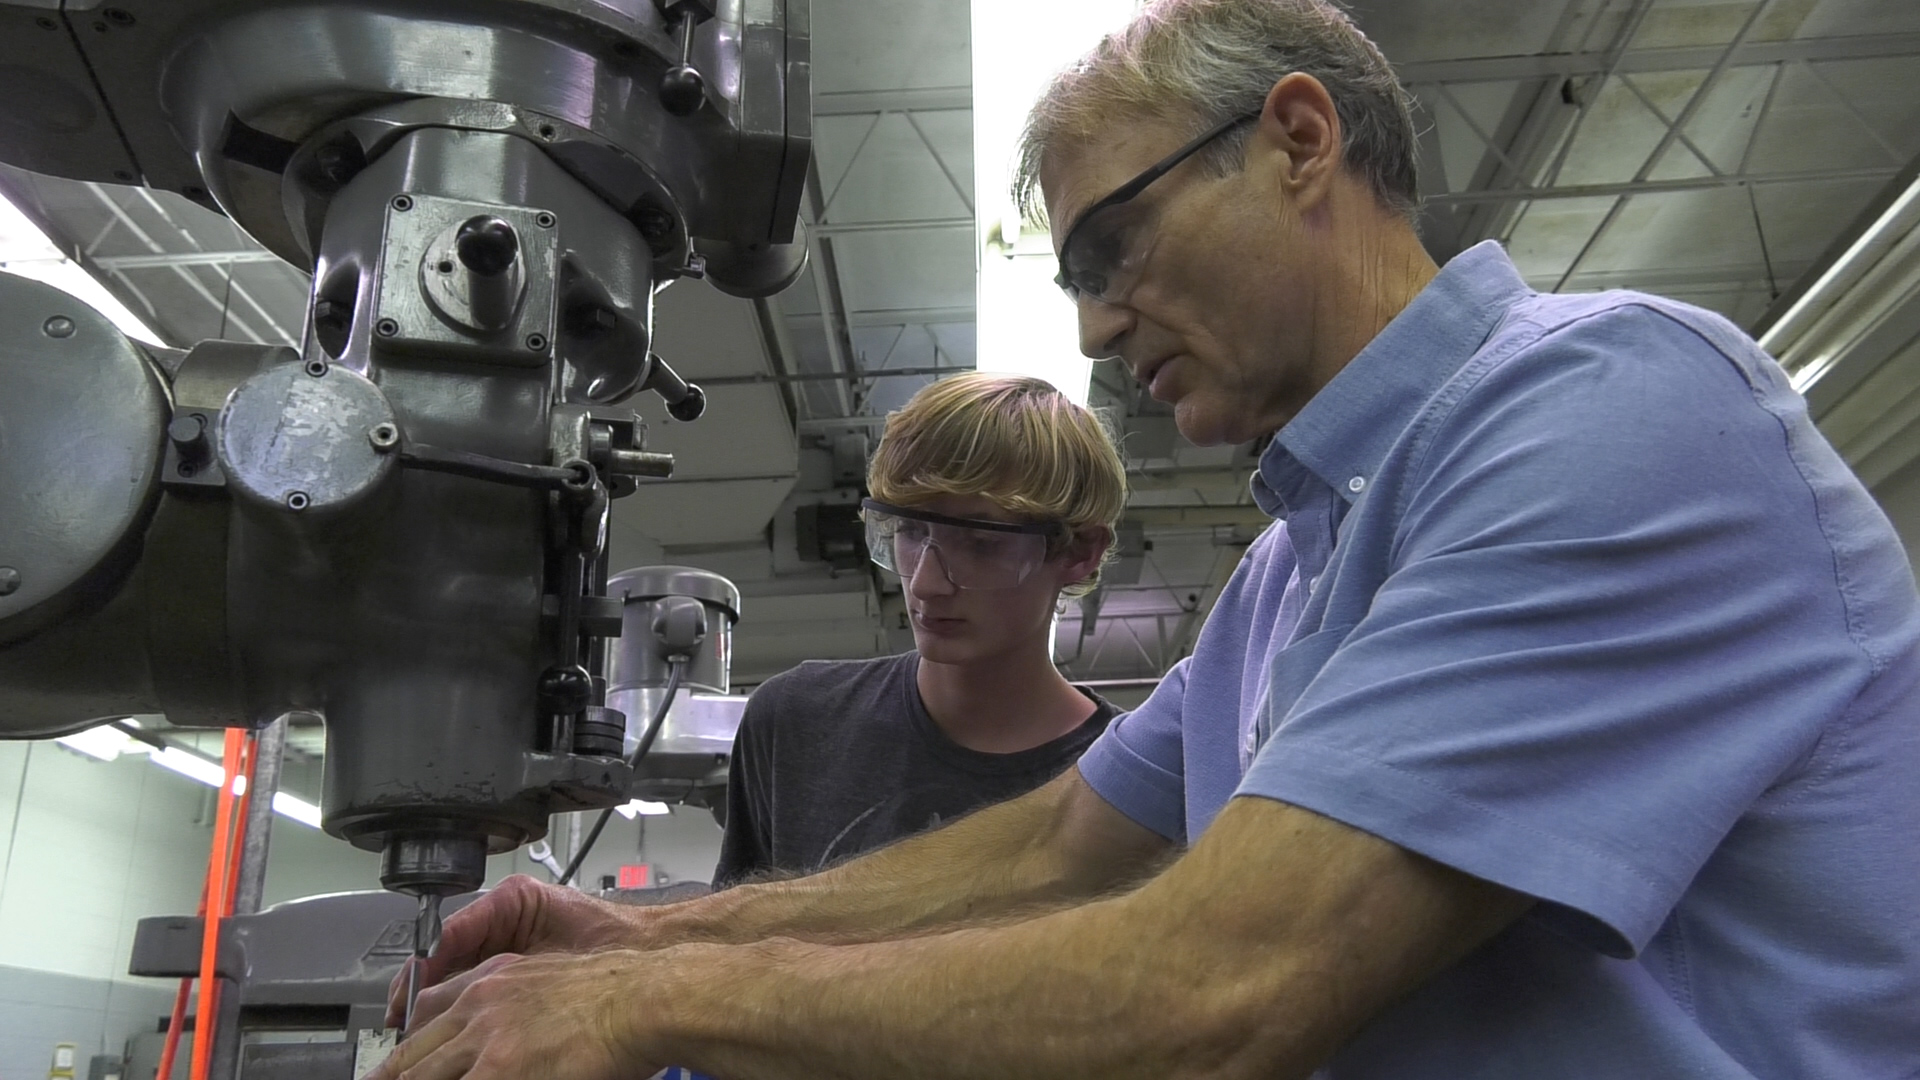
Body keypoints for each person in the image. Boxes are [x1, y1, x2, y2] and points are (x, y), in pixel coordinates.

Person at [375, 1, 1920, 1077]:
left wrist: (658, 1009)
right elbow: (1058, 847)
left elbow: (1223, 987)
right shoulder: (1290, 571)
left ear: (1299, 141)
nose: (1103, 324)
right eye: (1076, 282)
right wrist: (630, 946)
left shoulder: (1606, 406)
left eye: (1118, 244)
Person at [712, 372, 1125, 887]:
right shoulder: (796, 723)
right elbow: (740, 947)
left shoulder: (1130, 778)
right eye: (910, 531)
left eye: (980, 543)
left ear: (1079, 552)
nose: (926, 584)